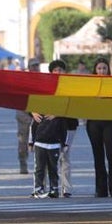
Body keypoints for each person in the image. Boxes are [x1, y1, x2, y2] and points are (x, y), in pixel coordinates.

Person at [85, 58, 112, 197]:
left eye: (104, 68)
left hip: (110, 122)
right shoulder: (88, 85)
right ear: (95, 70)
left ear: (108, 70)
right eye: (99, 68)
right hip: (93, 123)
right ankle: (100, 189)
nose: (101, 70)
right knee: (98, 156)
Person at [47, 60, 79, 196]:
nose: (58, 72)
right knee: (51, 156)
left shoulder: (70, 86)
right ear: (51, 72)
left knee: (64, 155)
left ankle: (66, 188)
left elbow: (73, 104)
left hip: (69, 125)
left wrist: (58, 113)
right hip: (52, 126)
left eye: (61, 69)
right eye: (55, 70)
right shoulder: (46, 86)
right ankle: (53, 187)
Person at [30, 110, 68, 198]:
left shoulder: (60, 116)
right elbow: (33, 127)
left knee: (53, 168)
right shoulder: (38, 113)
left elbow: (63, 128)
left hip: (54, 144)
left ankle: (54, 188)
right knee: (39, 168)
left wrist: (64, 143)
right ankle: (38, 189)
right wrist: (31, 143)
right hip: (40, 143)